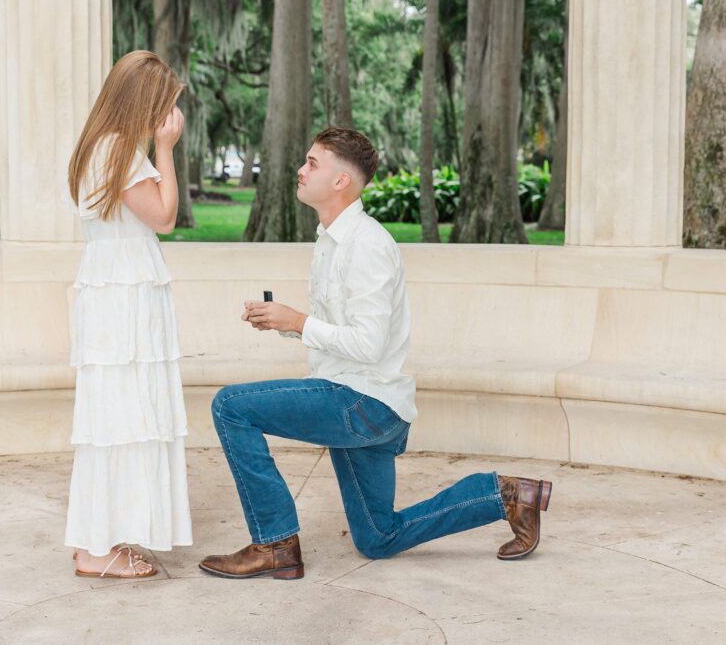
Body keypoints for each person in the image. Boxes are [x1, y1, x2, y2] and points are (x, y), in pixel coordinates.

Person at [199, 127, 552, 580]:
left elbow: (369, 345)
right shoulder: (331, 240)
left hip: (363, 402)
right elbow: (346, 333)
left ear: (341, 181)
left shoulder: (366, 245)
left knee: (230, 407)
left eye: (312, 163)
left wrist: (298, 322)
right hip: (358, 400)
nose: (300, 170)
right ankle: (506, 496)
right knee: (377, 537)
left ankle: (274, 544)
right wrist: (283, 323)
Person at [63, 50, 192, 579]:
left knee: (118, 416)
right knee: (122, 415)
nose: (167, 116)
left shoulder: (101, 145)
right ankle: (96, 550)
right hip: (123, 294)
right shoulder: (120, 150)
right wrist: (165, 148)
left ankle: (104, 537)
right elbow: (164, 216)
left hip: (115, 285)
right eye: (162, 107)